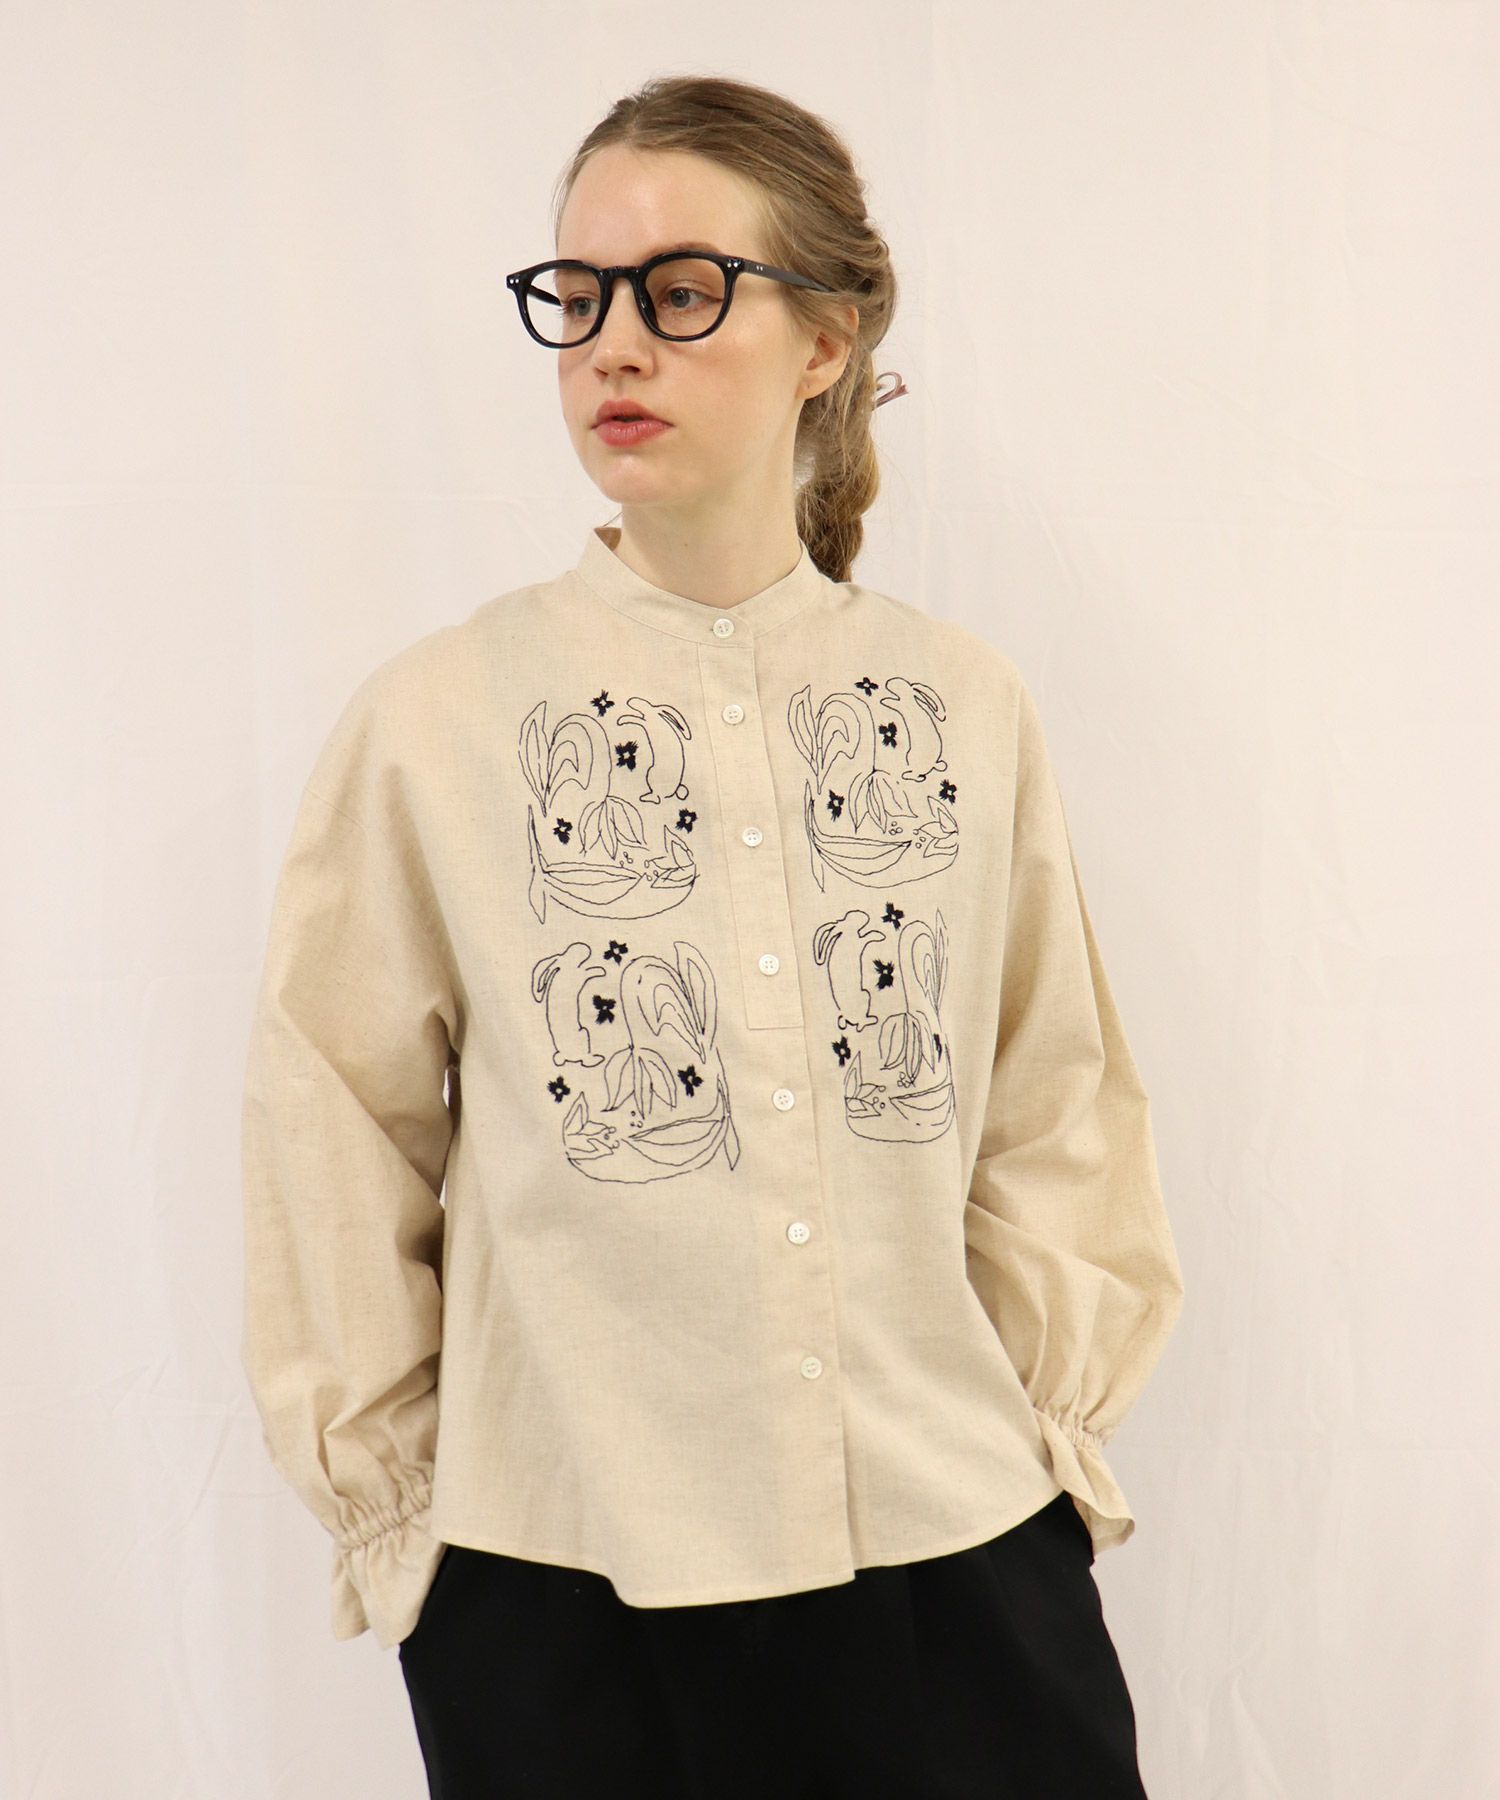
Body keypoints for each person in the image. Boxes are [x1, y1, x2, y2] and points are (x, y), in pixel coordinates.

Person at [239, 72, 1185, 1799]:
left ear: (825, 338)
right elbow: (333, 1132)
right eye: (579, 293)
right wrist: (410, 1529)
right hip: (567, 1596)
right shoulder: (437, 722)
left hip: (957, 1555)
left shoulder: (961, 708)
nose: (614, 345)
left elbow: (1056, 1100)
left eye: (680, 292)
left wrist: (1037, 1446)